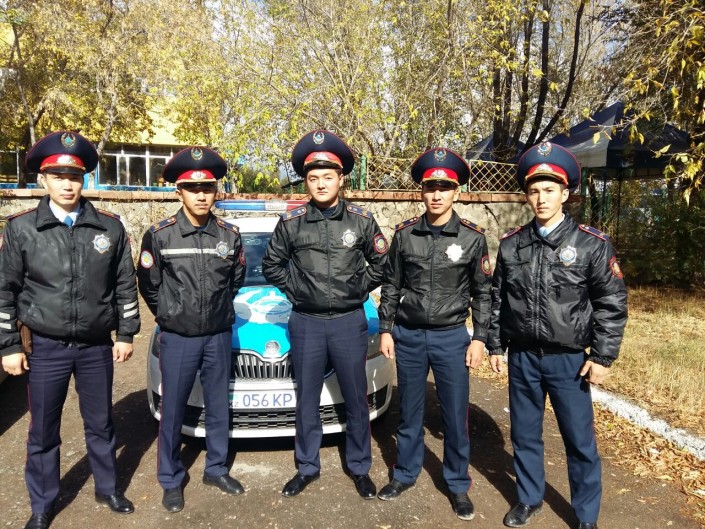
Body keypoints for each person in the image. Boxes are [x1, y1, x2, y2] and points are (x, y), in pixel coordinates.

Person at [0, 131, 140, 529]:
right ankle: (43, 503)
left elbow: (124, 284)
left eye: (74, 177)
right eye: (58, 176)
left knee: (101, 423)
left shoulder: (108, 228)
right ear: (43, 180)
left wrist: (126, 333)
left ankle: (107, 488)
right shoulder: (22, 229)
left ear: (84, 180)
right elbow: (5, 290)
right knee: (43, 429)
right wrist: (9, 346)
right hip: (47, 347)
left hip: (96, 346)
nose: (67, 184)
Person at [487, 142, 628, 529]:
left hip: (569, 361)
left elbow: (611, 302)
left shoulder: (590, 244)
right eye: (534, 190)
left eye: (549, 190)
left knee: (579, 441)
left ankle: (586, 516)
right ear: (527, 195)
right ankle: (529, 498)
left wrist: (602, 356)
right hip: (523, 357)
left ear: (565, 194)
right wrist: (496, 346)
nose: (541, 198)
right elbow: (498, 298)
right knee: (524, 434)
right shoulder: (512, 243)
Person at [262, 130, 388, 499]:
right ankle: (307, 466)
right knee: (307, 399)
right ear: (306, 181)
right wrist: (298, 291)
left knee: (356, 397)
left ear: (341, 178)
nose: (320, 184)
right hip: (307, 323)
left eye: (327, 176)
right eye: (313, 177)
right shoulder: (292, 222)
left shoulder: (361, 221)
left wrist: (358, 288)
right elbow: (272, 265)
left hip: (349, 321)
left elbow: (382, 262)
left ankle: (360, 468)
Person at [376, 148, 491, 520]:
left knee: (455, 416)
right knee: (409, 412)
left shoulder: (472, 238)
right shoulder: (405, 234)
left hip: (451, 337)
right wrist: (386, 328)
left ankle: (457, 483)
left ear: (457, 192)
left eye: (444, 188)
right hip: (409, 335)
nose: (437, 195)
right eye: (430, 187)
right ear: (422, 192)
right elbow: (391, 285)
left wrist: (479, 338)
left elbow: (483, 293)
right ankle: (405, 474)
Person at [137, 146, 246, 512]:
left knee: (218, 406)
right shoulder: (160, 235)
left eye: (208, 188)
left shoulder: (229, 235)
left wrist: (215, 312)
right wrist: (171, 314)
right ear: (179, 191)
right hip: (178, 338)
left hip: (217, 335)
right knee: (172, 410)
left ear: (216, 191)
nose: (201, 195)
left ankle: (216, 468)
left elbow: (235, 280)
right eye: (192, 188)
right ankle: (170, 479)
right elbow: (149, 284)